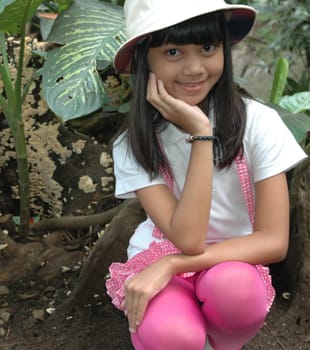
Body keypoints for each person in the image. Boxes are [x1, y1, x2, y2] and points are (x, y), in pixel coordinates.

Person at [105, 0, 308, 349]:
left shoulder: (259, 124)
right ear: (144, 59)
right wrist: (202, 135)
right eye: (172, 52)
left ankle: (222, 344)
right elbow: (189, 239)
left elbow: (274, 242)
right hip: (163, 254)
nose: (195, 68)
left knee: (235, 290)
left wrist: (173, 264)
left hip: (235, 263)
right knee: (173, 336)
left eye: (208, 47)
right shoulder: (134, 143)